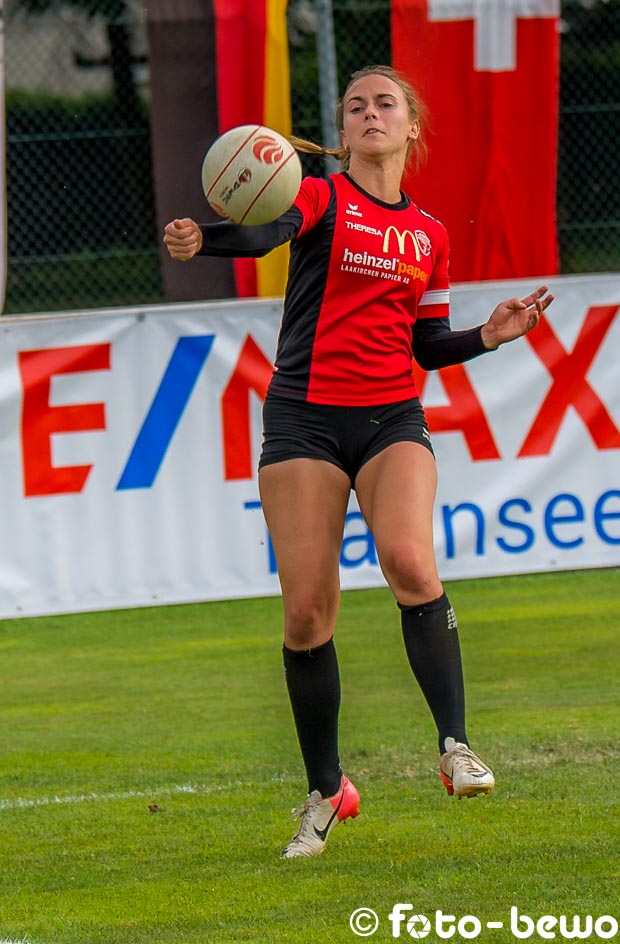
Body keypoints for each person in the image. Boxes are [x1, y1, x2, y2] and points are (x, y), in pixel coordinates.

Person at [163, 64, 554, 859]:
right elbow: (268, 230)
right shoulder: (321, 195)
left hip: (390, 418)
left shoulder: (429, 235)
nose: (370, 113)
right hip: (303, 418)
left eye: (385, 103)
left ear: (412, 127)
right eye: (356, 106)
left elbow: (425, 344)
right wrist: (209, 237)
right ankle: (326, 791)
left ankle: (455, 746)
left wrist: (488, 335)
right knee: (307, 614)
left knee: (410, 561)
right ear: (342, 132)